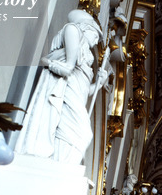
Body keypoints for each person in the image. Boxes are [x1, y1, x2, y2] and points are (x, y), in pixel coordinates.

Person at [18, 10, 112, 165]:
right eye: (95, 35)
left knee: (80, 135)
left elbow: (85, 90)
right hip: (65, 91)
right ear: (85, 28)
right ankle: (59, 165)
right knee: (83, 134)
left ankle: (61, 165)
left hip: (75, 95)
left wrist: (99, 83)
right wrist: (49, 63)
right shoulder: (72, 30)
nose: (96, 42)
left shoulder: (86, 50)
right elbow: (68, 67)